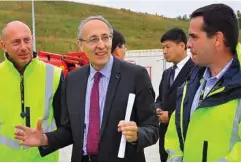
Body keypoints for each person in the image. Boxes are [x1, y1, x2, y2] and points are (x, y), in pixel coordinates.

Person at [14, 15, 159, 162]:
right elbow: (70, 130)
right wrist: (45, 139)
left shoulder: (135, 75)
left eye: (106, 38)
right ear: (80, 44)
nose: (101, 45)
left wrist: (137, 135)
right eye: (93, 39)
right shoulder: (72, 80)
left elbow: (152, 128)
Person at [0, 21, 63, 161]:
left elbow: (62, 122)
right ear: (3, 46)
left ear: (32, 39)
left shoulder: (54, 74)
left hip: (43, 159)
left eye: (27, 40)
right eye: (16, 42)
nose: (24, 47)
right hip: (3, 158)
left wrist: (45, 140)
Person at [165, 4, 241, 162]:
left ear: (218, 39)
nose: (188, 44)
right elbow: (174, 136)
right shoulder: (191, 82)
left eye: (194, 37)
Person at [156, 28, 194, 162]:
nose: (164, 51)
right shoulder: (167, 73)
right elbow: (160, 98)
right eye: (162, 47)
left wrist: (171, 115)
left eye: (168, 47)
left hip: (185, 137)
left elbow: (195, 104)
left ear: (182, 46)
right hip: (165, 137)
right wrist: (158, 108)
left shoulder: (196, 70)